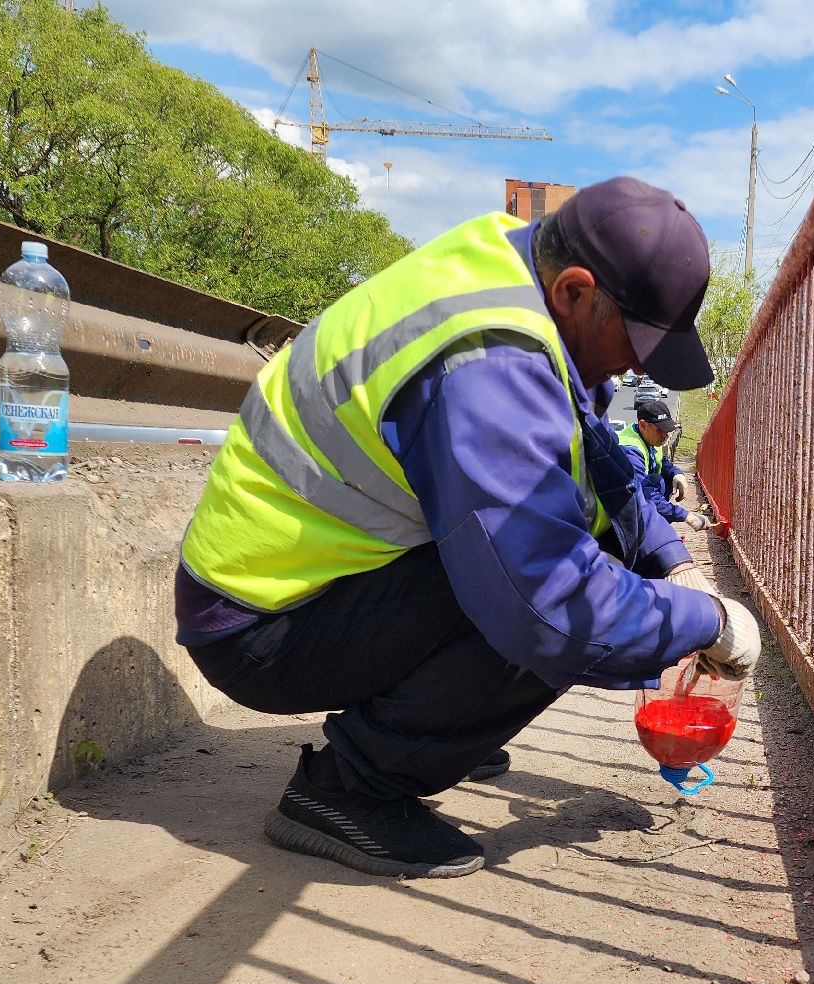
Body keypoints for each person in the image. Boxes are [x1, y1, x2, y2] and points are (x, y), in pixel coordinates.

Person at [172, 177, 760, 880]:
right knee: (551, 594)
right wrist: (703, 622)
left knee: (591, 553)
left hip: (306, 583)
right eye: (633, 340)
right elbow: (550, 605)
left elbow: (590, 454)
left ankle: (432, 720)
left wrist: (669, 560)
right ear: (575, 290)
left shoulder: (509, 266)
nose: (637, 366)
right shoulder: (488, 361)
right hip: (262, 624)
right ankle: (348, 790)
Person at [619, 398, 708, 531]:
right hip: (622, 511)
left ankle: (655, 524)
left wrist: (676, 473)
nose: (665, 435)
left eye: (667, 430)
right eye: (660, 430)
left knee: (662, 479)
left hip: (639, 500)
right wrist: (686, 516)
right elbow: (645, 492)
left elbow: (661, 460)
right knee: (656, 481)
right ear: (643, 425)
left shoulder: (649, 439)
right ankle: (648, 530)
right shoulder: (630, 450)